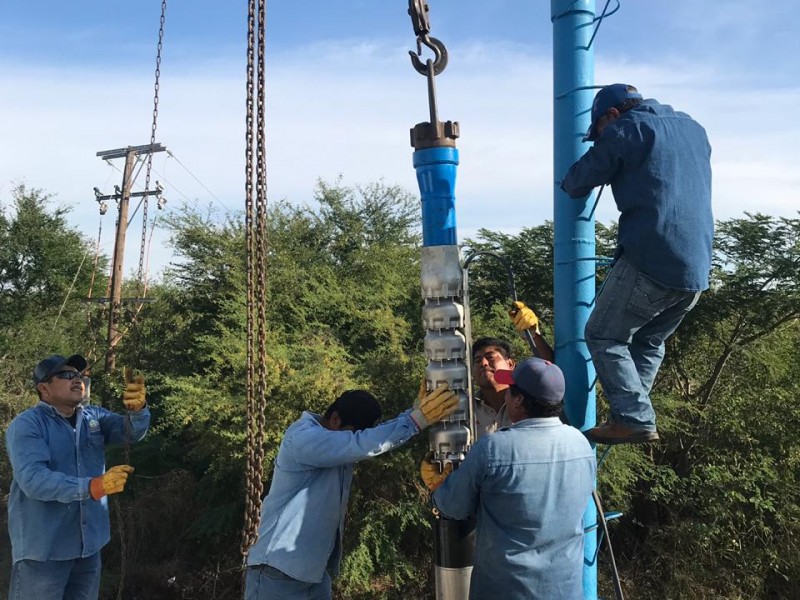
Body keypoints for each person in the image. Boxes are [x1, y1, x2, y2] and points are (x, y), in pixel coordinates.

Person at [561, 83, 713, 445]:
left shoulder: (625, 129)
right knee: (648, 340)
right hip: (697, 269)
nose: (600, 138)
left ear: (612, 115)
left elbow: (577, 181)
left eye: (598, 132)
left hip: (654, 255)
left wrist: (572, 175)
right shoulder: (693, 127)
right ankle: (632, 415)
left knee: (603, 334)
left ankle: (633, 417)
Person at [244, 383, 459, 600]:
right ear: (335, 419)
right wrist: (416, 420)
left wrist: (416, 410)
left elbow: (368, 438)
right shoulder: (303, 438)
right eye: (352, 433)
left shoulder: (332, 440)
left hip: (312, 574)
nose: (353, 439)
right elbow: (361, 443)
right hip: (276, 572)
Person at [421, 358, 595, 599]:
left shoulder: (493, 448)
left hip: (506, 589)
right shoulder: (581, 444)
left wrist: (440, 487)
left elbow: (454, 507)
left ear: (519, 400)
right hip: (564, 589)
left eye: (509, 391)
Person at [5, 354, 150, 600]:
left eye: (79, 375)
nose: (77, 379)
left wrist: (139, 410)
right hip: (44, 551)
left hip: (89, 548)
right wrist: (93, 486)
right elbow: (33, 479)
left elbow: (130, 433)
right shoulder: (27, 425)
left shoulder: (94, 417)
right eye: (66, 375)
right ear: (44, 388)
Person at [472, 301, 554, 438]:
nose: (484, 363)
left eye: (490, 357)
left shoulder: (527, 398)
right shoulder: (465, 407)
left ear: (510, 364)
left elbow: (550, 374)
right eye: (477, 360)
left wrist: (533, 335)